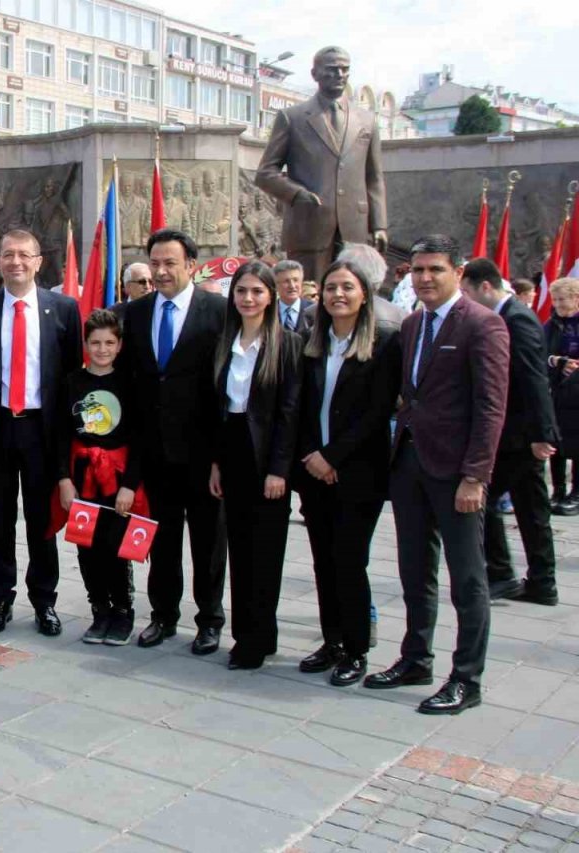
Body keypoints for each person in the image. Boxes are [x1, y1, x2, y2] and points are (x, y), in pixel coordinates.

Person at [365, 235, 509, 715]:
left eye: (435, 270)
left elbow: (491, 408)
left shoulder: (483, 326)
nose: (424, 278)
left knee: (467, 579)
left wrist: (476, 476)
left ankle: (467, 678)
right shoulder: (411, 325)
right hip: (410, 465)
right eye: (418, 270)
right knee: (414, 571)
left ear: (458, 272)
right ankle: (415, 658)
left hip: (457, 473)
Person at [0, 230, 83, 635]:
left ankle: (44, 601)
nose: (15, 262)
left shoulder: (64, 309)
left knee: (41, 519)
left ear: (38, 261)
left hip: (42, 430)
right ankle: (0, 598)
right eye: (7, 254)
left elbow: (72, 379)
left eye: (23, 255)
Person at [115, 229, 228, 654]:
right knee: (161, 540)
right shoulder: (136, 313)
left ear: (191, 267)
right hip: (154, 451)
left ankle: (210, 619)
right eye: (155, 263)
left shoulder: (218, 311)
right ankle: (163, 615)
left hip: (203, 454)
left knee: (208, 543)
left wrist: (220, 456)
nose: (161, 272)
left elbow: (226, 390)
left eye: (170, 264)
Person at [294, 260, 401, 686]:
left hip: (357, 473)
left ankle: (356, 649)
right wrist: (311, 456)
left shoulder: (383, 344)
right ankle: (332, 640)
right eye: (331, 287)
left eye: (347, 287)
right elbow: (300, 406)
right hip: (313, 471)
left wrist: (334, 457)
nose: (338, 294)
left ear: (364, 294)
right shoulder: (312, 343)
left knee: (349, 560)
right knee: (323, 560)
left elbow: (376, 414)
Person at [206, 262, 301, 670]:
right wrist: (215, 463)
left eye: (257, 292)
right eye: (241, 291)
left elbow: (290, 413)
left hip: (268, 459)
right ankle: (251, 631)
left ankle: (257, 637)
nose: (248, 299)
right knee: (239, 549)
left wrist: (280, 469)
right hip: (231, 451)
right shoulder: (224, 341)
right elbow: (216, 410)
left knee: (267, 552)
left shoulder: (289, 345)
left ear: (271, 297)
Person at [459, 259, 560, 606]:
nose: (466, 301)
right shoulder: (509, 316)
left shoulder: (516, 320)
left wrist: (543, 433)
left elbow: (534, 379)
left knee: (479, 500)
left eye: (467, 293)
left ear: (485, 287)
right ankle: (542, 581)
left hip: (518, 435)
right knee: (532, 509)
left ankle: (501, 572)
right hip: (519, 432)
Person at [255, 46, 388, 284]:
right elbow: (265, 173)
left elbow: (374, 177)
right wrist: (297, 194)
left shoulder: (367, 121)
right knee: (310, 298)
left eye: (344, 69)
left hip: (355, 228)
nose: (339, 74)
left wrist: (379, 224)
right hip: (309, 225)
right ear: (315, 74)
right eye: (331, 69)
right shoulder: (292, 118)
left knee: (354, 294)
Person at [57, 309, 143, 646]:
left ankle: (123, 610)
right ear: (85, 344)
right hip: (82, 477)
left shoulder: (129, 382)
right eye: (96, 342)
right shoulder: (72, 382)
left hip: (117, 478)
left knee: (115, 544)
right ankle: (100, 608)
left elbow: (140, 439)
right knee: (86, 545)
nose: (102, 349)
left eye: (109, 342)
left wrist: (130, 485)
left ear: (120, 345)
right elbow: (61, 435)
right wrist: (64, 479)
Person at [546, 278, 579, 515]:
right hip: (557, 391)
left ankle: (576, 494)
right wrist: (557, 362)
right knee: (554, 442)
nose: (558, 304)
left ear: (576, 298)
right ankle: (557, 490)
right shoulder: (551, 324)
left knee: (577, 444)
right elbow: (540, 353)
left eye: (562, 299)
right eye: (555, 299)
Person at [274, 260, 314, 334]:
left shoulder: (314, 310)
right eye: (286, 281)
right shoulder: (269, 311)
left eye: (296, 280)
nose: (292, 286)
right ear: (276, 285)